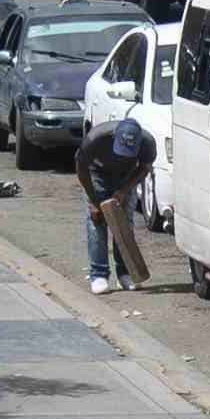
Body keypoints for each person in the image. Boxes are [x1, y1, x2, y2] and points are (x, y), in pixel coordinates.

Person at [75, 117, 157, 293]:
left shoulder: (148, 142)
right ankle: (99, 274)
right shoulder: (95, 138)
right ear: (114, 137)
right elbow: (81, 168)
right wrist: (94, 201)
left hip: (126, 177)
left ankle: (125, 273)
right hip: (97, 174)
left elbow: (144, 168)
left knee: (124, 222)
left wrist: (124, 191)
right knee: (96, 221)